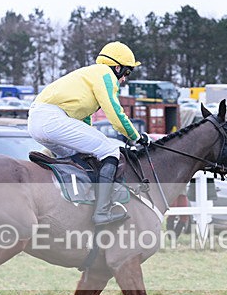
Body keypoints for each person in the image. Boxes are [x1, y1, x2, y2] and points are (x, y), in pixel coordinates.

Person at [28, 41, 150, 226]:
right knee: (110, 150)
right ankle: (102, 211)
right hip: (51, 119)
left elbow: (84, 119)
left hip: (39, 121)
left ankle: (78, 205)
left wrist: (92, 142)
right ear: (117, 67)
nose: (125, 78)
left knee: (83, 155)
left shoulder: (91, 74)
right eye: (126, 72)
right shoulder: (105, 74)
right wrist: (136, 136)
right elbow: (115, 112)